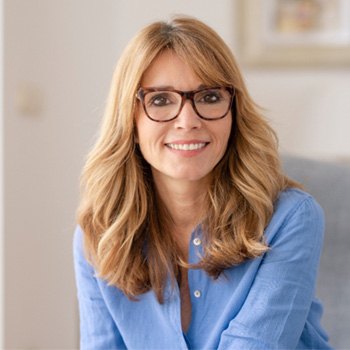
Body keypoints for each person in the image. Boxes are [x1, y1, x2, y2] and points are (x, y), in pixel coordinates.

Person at [73, 15, 333, 349]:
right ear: (130, 120)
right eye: (160, 100)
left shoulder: (292, 217)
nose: (188, 120)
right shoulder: (98, 234)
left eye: (209, 97)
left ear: (234, 113)